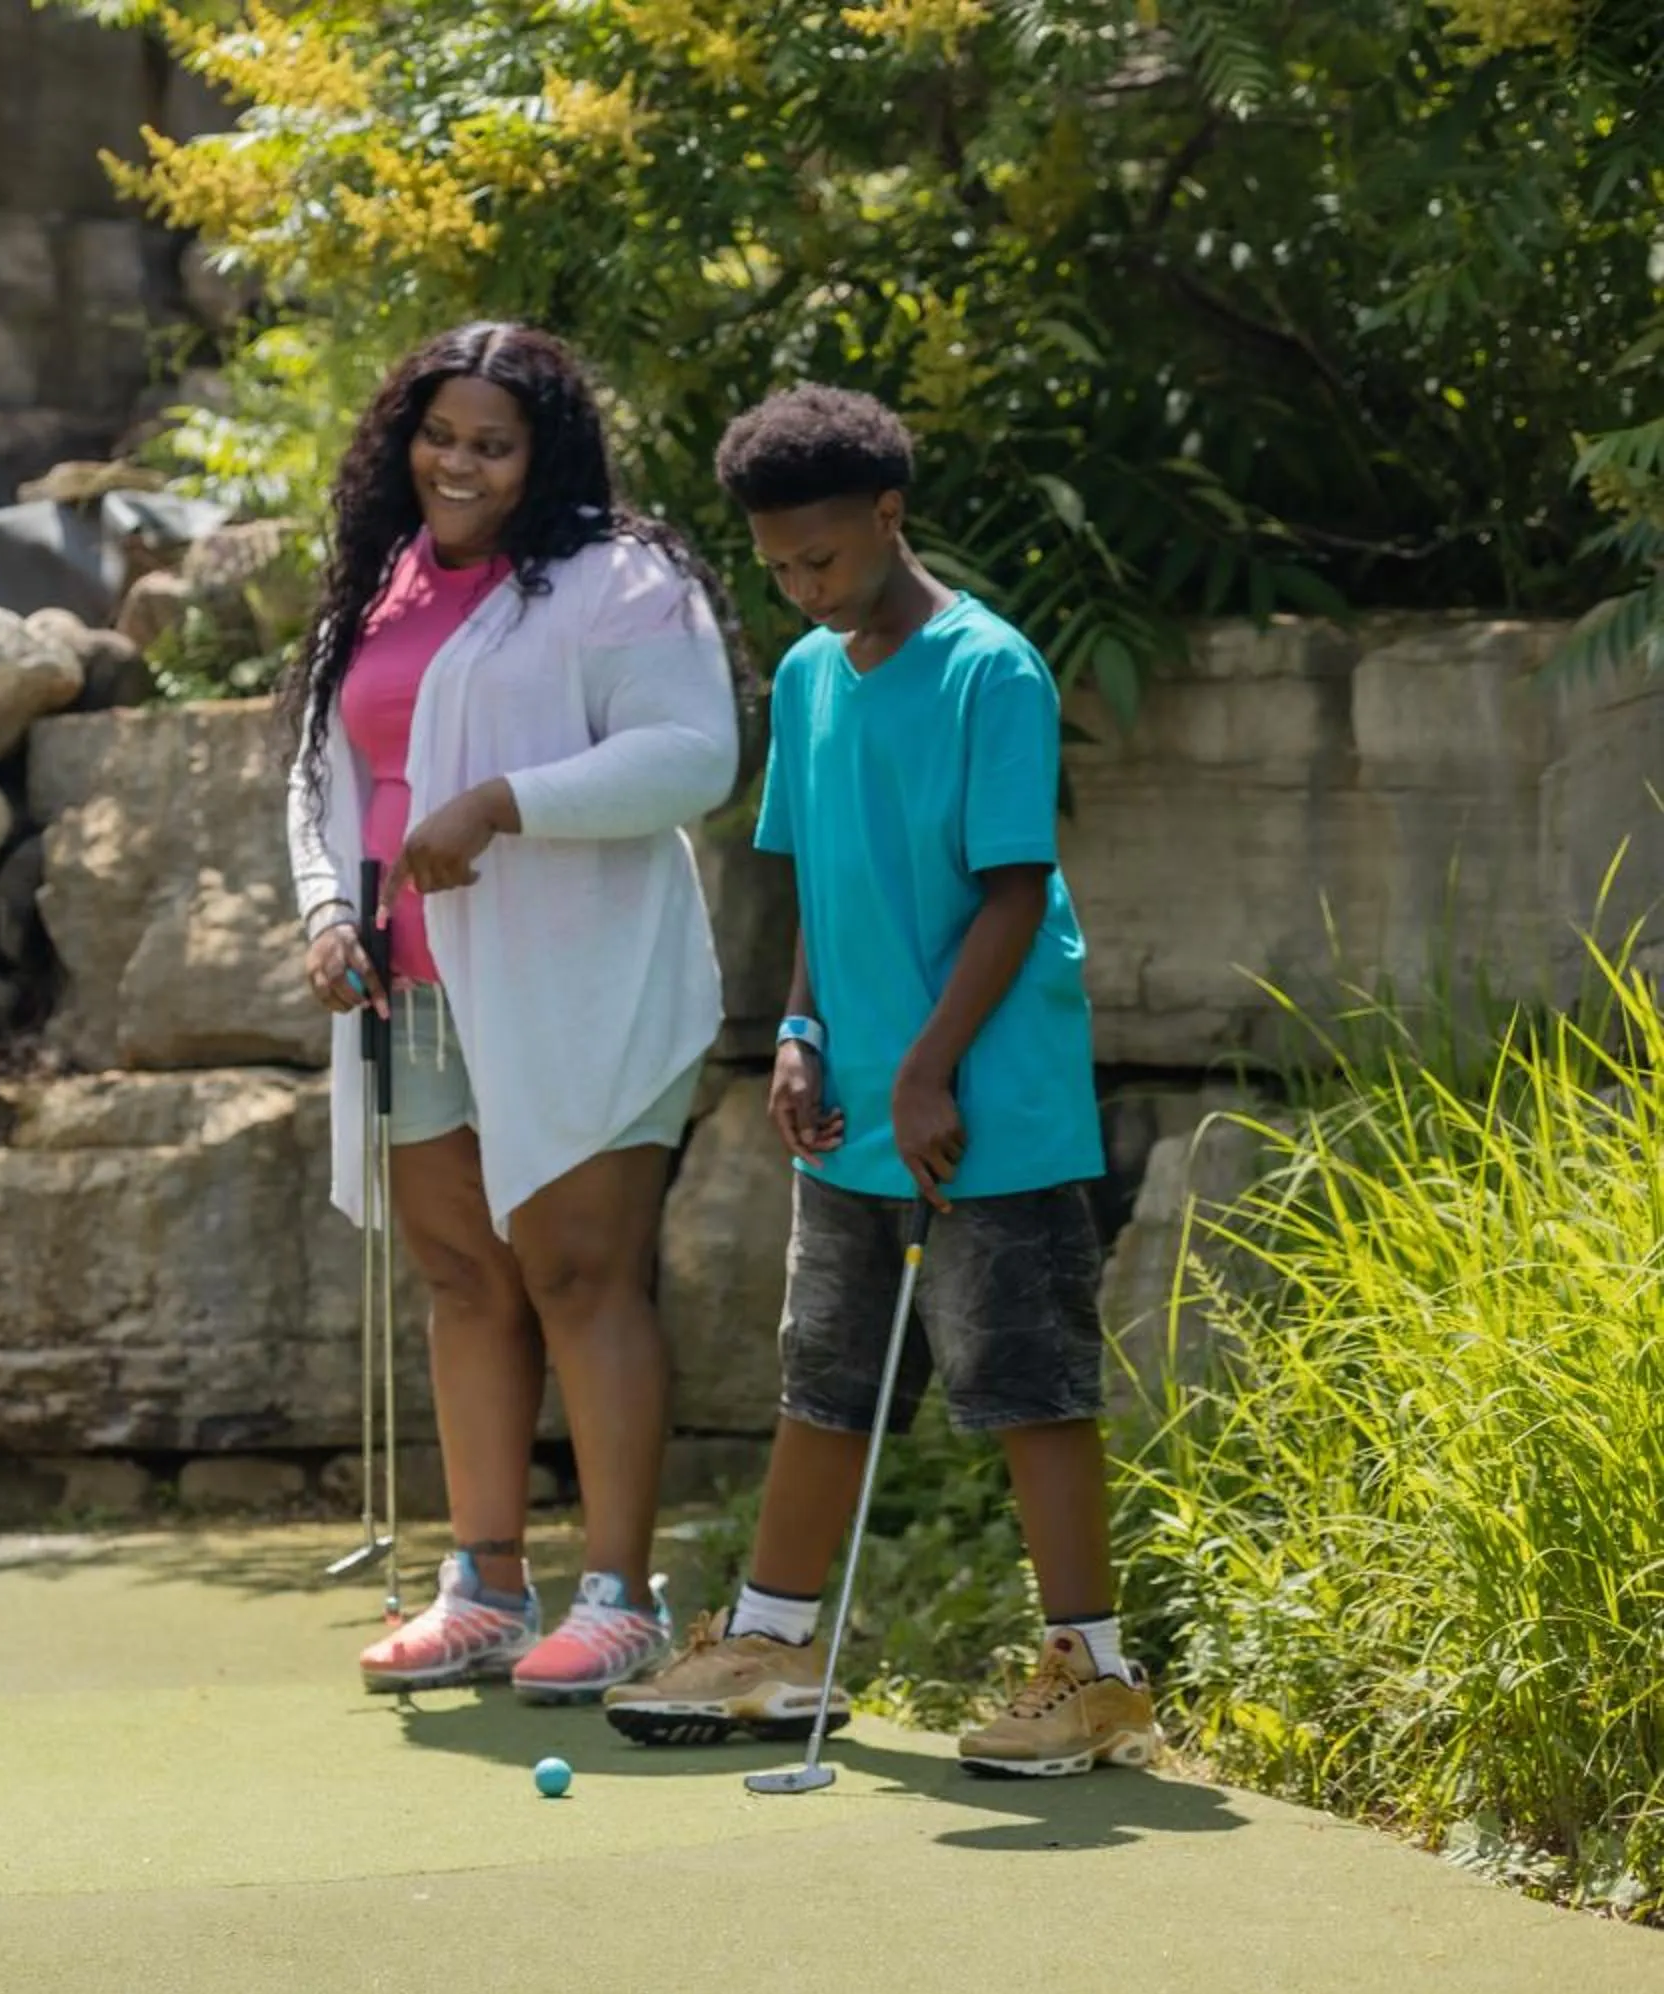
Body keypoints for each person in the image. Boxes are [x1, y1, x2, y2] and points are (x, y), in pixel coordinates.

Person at [603, 384, 1160, 1778]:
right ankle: (779, 1646)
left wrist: (925, 1071)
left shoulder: (993, 669)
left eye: (825, 560)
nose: (803, 587)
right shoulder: (805, 676)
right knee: (826, 1376)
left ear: (890, 516)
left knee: (1026, 1381)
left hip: (989, 1103)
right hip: (858, 1097)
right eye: (779, 567)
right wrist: (799, 1032)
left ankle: (1092, 1678)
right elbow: (822, 883)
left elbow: (1015, 892)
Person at [282, 322, 740, 1703]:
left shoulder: (619, 580)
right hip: (409, 990)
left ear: (544, 455)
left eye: (493, 443)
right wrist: (320, 912)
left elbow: (693, 757)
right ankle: (484, 1583)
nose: (459, 464)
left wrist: (503, 805)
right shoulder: (377, 577)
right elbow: (319, 776)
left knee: (578, 1274)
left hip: (574, 988)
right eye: (439, 435)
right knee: (465, 1279)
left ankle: (619, 1596)